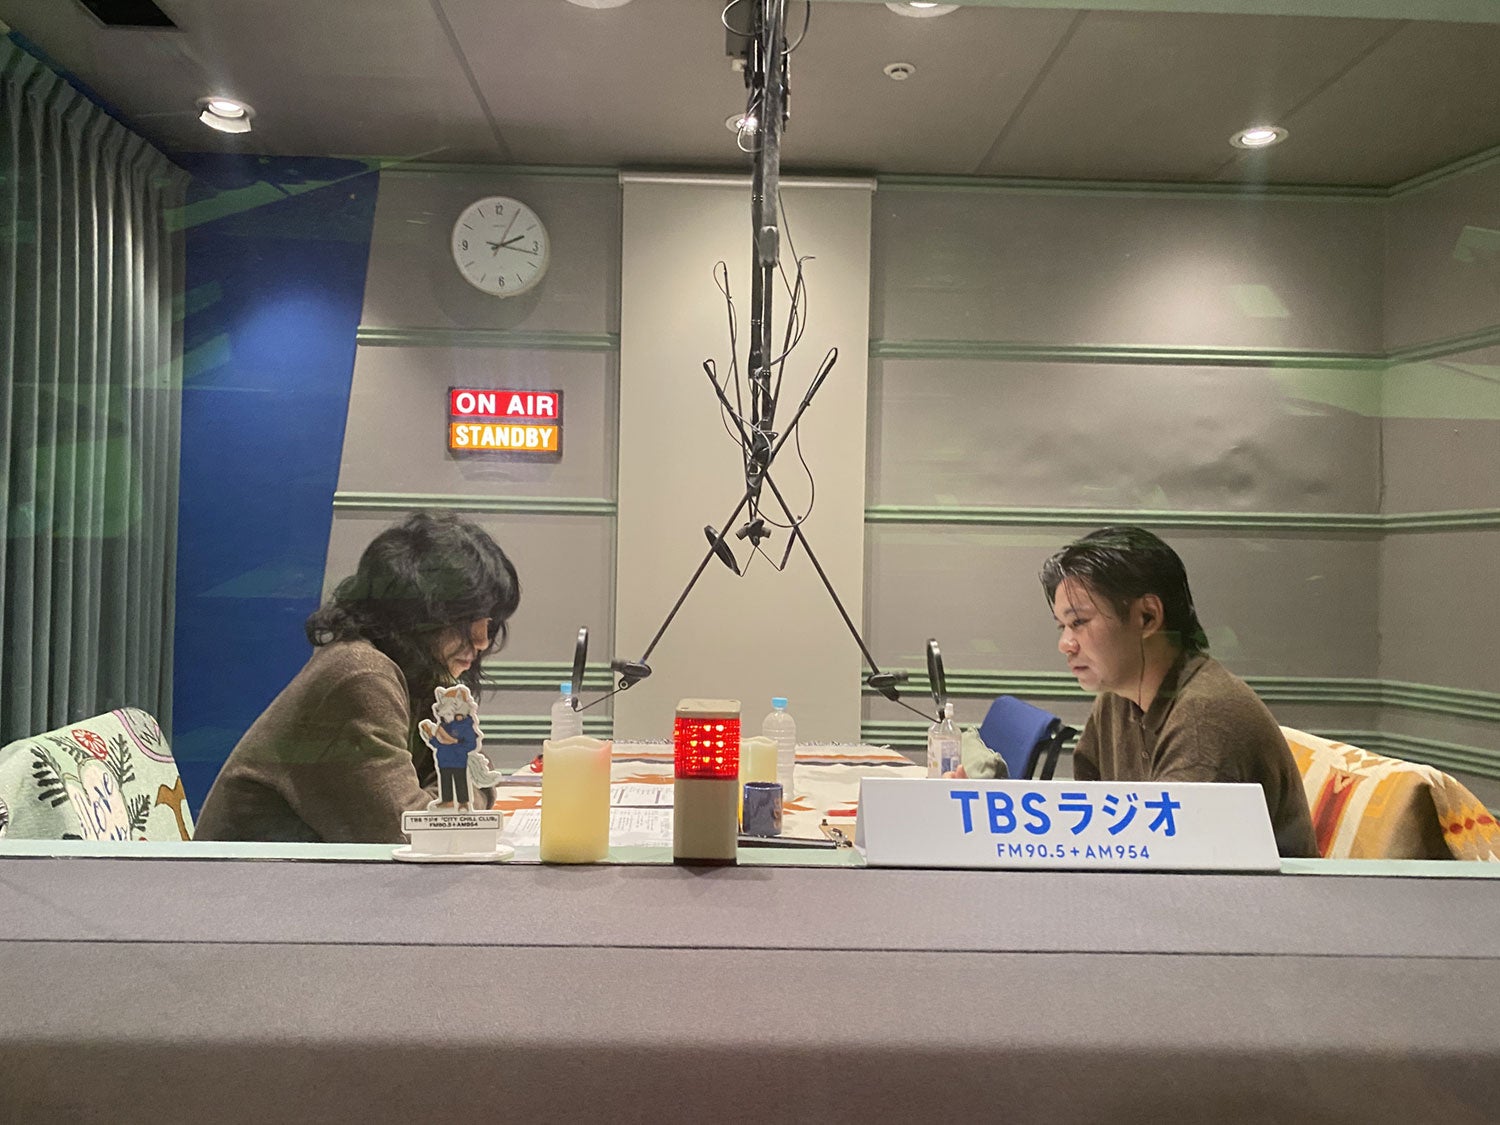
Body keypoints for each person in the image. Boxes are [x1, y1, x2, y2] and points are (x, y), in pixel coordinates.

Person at [194, 511, 521, 843]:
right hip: (251, 876)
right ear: (417, 612)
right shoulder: (362, 674)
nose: (482, 640)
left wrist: (462, 783)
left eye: (489, 622)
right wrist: (473, 785)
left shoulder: (412, 673)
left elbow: (446, 793)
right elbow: (414, 833)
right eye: (466, 620)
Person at [1041, 526, 1317, 859]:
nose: (1065, 644)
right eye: (1062, 626)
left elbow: (1177, 869)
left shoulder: (1204, 720)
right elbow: (1092, 828)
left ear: (1147, 617)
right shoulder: (1116, 699)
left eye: (1079, 622)